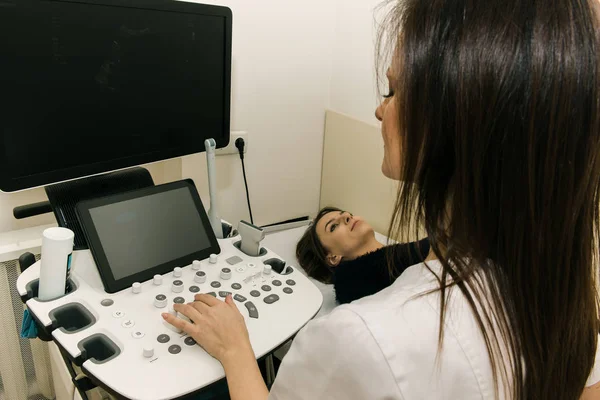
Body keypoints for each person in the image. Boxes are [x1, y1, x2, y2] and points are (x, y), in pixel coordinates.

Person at [163, 0, 600, 398]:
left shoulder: (365, 340)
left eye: (392, 92)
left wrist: (235, 348)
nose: (379, 109)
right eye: (333, 225)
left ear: (446, 122)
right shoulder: (564, 294)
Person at [295, 205, 430, 304]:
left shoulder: (406, 257)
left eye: (348, 214)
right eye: (333, 226)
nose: (346, 216)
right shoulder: (353, 284)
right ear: (333, 257)